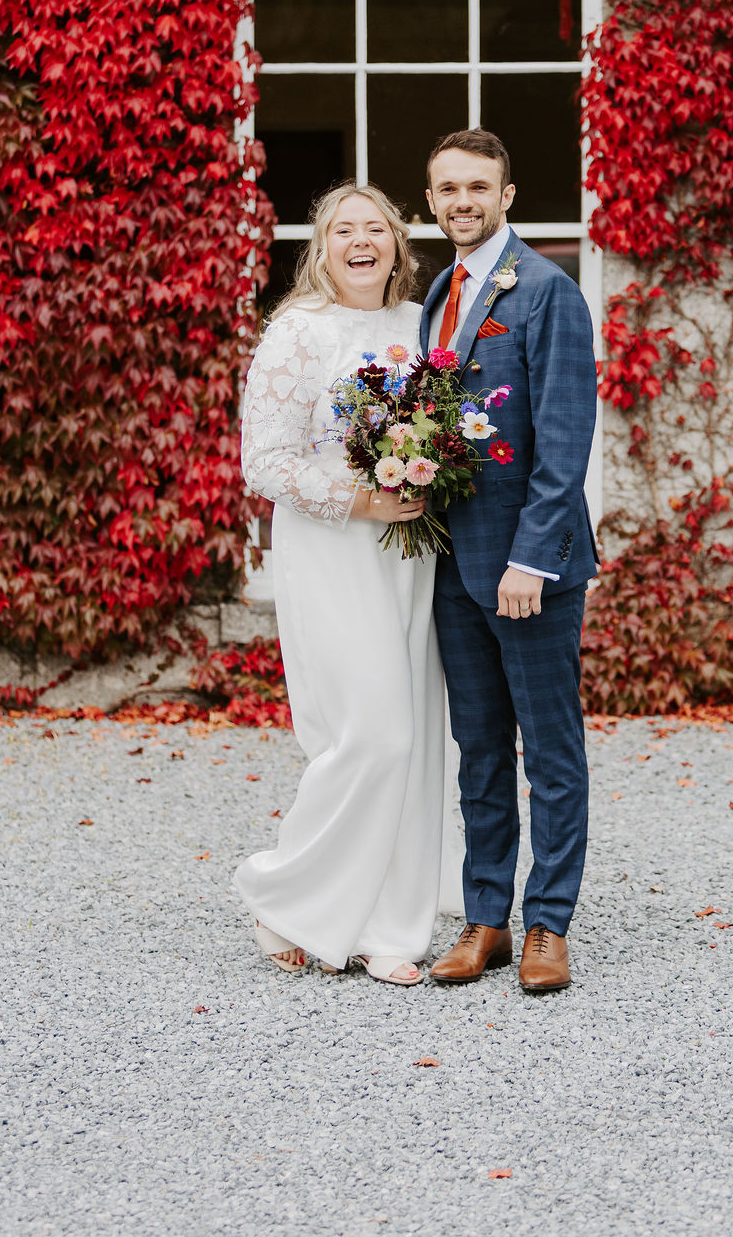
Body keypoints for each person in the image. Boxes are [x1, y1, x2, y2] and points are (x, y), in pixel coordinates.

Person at [233, 181, 448, 986]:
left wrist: (432, 473)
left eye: (376, 229)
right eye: (343, 230)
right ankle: (287, 898)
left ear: (397, 244)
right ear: (322, 250)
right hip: (332, 548)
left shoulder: (421, 324)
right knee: (371, 732)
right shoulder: (298, 331)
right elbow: (265, 461)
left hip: (411, 553)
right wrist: (363, 499)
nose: (362, 242)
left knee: (417, 738)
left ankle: (390, 927)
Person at [420, 128, 598, 993]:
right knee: (480, 751)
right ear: (431, 200)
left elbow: (564, 444)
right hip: (453, 566)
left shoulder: (546, 290)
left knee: (550, 752)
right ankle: (485, 917)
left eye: (478, 187)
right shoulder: (439, 292)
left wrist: (531, 561)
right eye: (449, 189)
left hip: (528, 571)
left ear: (506, 196)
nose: (464, 201)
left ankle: (548, 925)